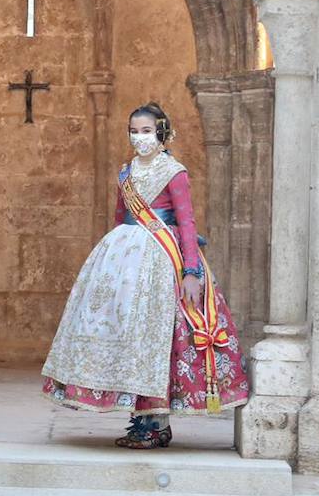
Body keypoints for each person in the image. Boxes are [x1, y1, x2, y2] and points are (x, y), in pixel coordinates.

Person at [41, 102, 249, 447]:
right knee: (128, 336)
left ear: (162, 133)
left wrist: (191, 271)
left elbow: (186, 222)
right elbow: (120, 215)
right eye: (134, 131)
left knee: (158, 338)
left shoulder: (174, 172)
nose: (140, 138)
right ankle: (139, 417)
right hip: (123, 261)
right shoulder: (126, 173)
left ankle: (156, 421)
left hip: (161, 261)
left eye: (147, 131)